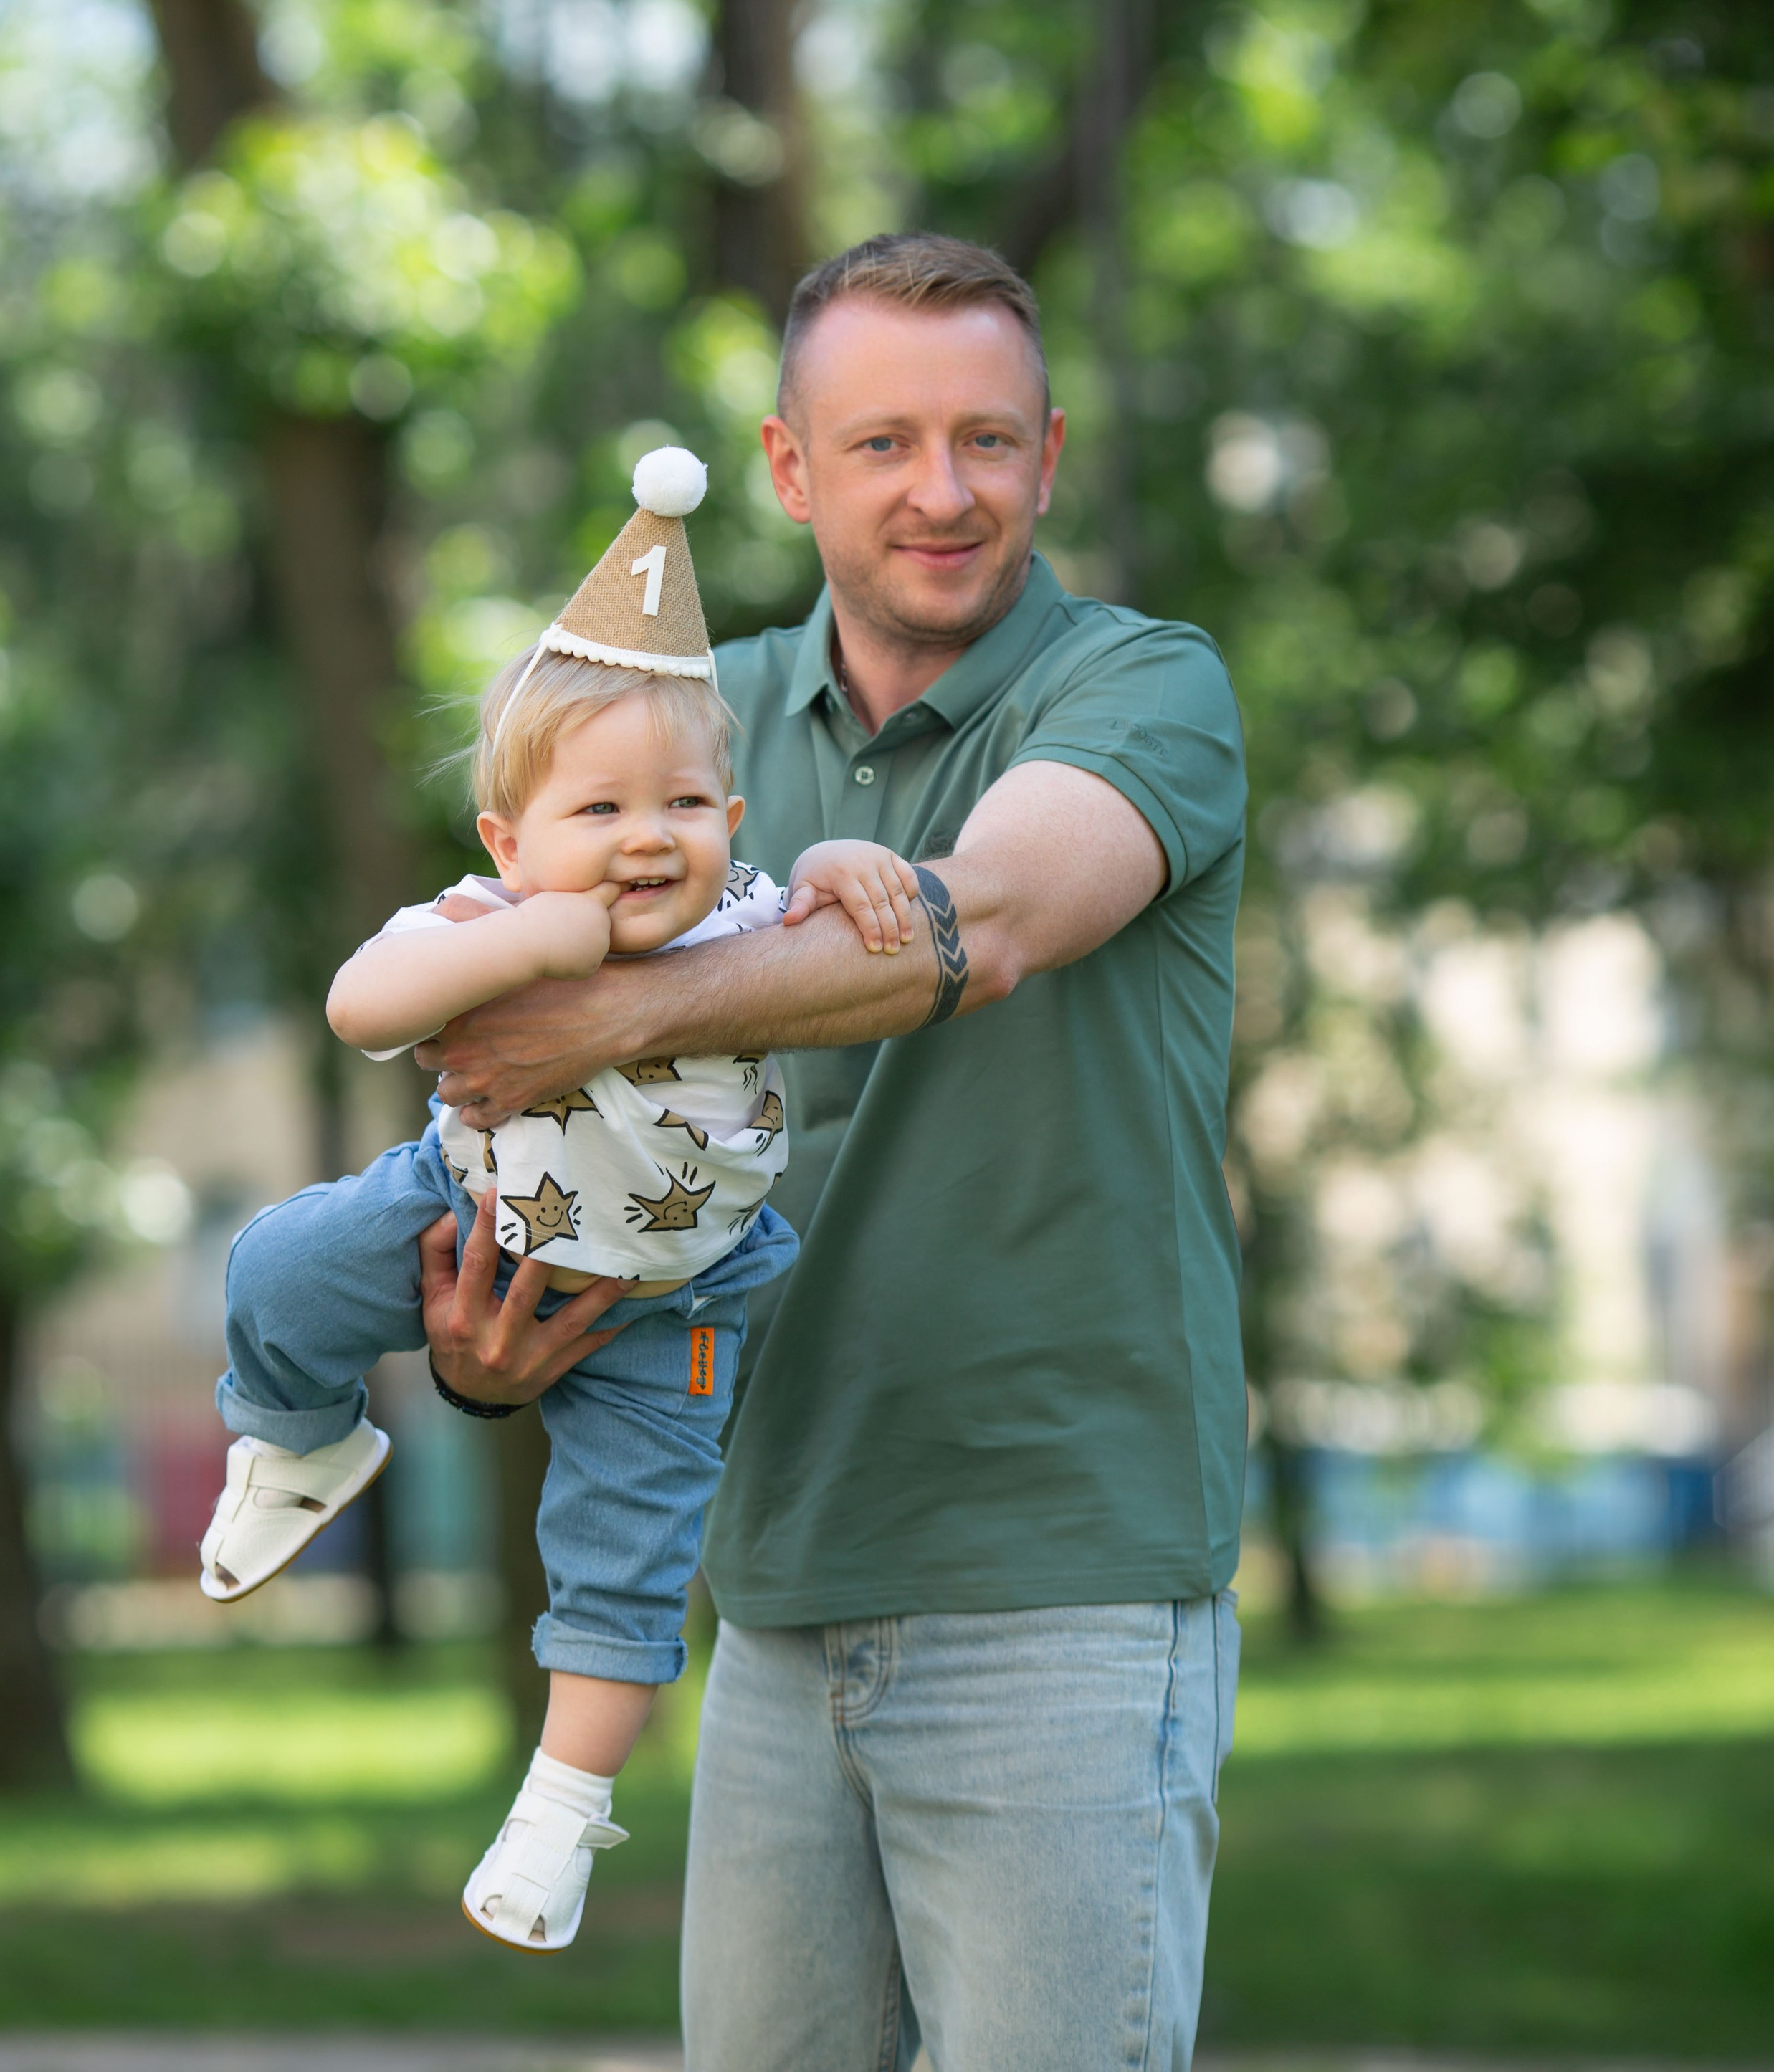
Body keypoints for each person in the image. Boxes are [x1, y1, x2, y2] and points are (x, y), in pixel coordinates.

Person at [421, 234, 1249, 2072]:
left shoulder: (1142, 689)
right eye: (880, 445)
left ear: (1050, 449)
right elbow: (553, 1115)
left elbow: (992, 920)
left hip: (1065, 1584)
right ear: (790, 470)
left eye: (984, 441)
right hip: (773, 1582)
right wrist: (503, 1353)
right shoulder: (681, 737)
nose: (939, 493)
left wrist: (625, 1010)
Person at [196, 444, 920, 1957]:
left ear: (730, 812)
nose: (645, 839)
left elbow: (856, 948)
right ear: (508, 843)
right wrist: (529, 947)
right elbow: (358, 1004)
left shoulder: (740, 917)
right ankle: (300, 1441)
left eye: (682, 802)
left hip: (680, 1303)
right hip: (459, 1210)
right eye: (598, 810)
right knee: (275, 1267)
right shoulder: (483, 917)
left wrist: (849, 859)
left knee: (628, 1556)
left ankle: (559, 1815)